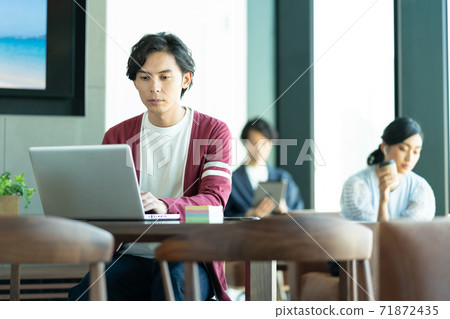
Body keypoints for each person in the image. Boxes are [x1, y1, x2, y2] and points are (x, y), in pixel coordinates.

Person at [68, 32, 232, 301]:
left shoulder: (213, 131)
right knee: (82, 297)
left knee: (175, 287)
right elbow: (107, 206)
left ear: (185, 79)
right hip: (132, 254)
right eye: (144, 77)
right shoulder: (117, 136)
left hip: (189, 255)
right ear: (135, 83)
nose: (154, 87)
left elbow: (214, 202)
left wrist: (166, 206)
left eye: (165, 77)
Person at [340, 117, 435, 222]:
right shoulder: (356, 185)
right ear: (384, 147)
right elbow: (371, 234)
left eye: (416, 152)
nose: (409, 158)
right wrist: (383, 202)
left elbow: (409, 233)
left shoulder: (420, 187)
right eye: (403, 149)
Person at [224, 118, 304, 218]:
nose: (259, 149)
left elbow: (299, 210)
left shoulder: (283, 177)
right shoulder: (232, 180)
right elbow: (223, 216)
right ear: (245, 143)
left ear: (271, 144)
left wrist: (286, 210)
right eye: (254, 143)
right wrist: (247, 215)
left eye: (264, 143)